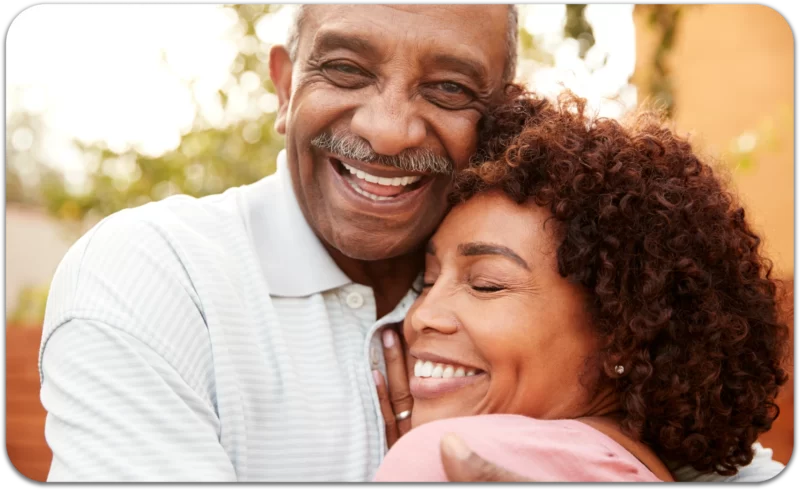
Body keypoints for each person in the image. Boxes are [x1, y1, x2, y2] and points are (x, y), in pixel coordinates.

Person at [36, 3, 785, 482]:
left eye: (449, 88)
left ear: (500, 116)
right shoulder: (154, 276)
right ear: (284, 87)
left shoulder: (568, 263)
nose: (388, 130)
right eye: (345, 69)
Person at [372, 89, 790, 482]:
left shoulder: (450, 455)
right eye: (428, 281)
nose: (421, 315)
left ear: (623, 336)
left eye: (486, 285)